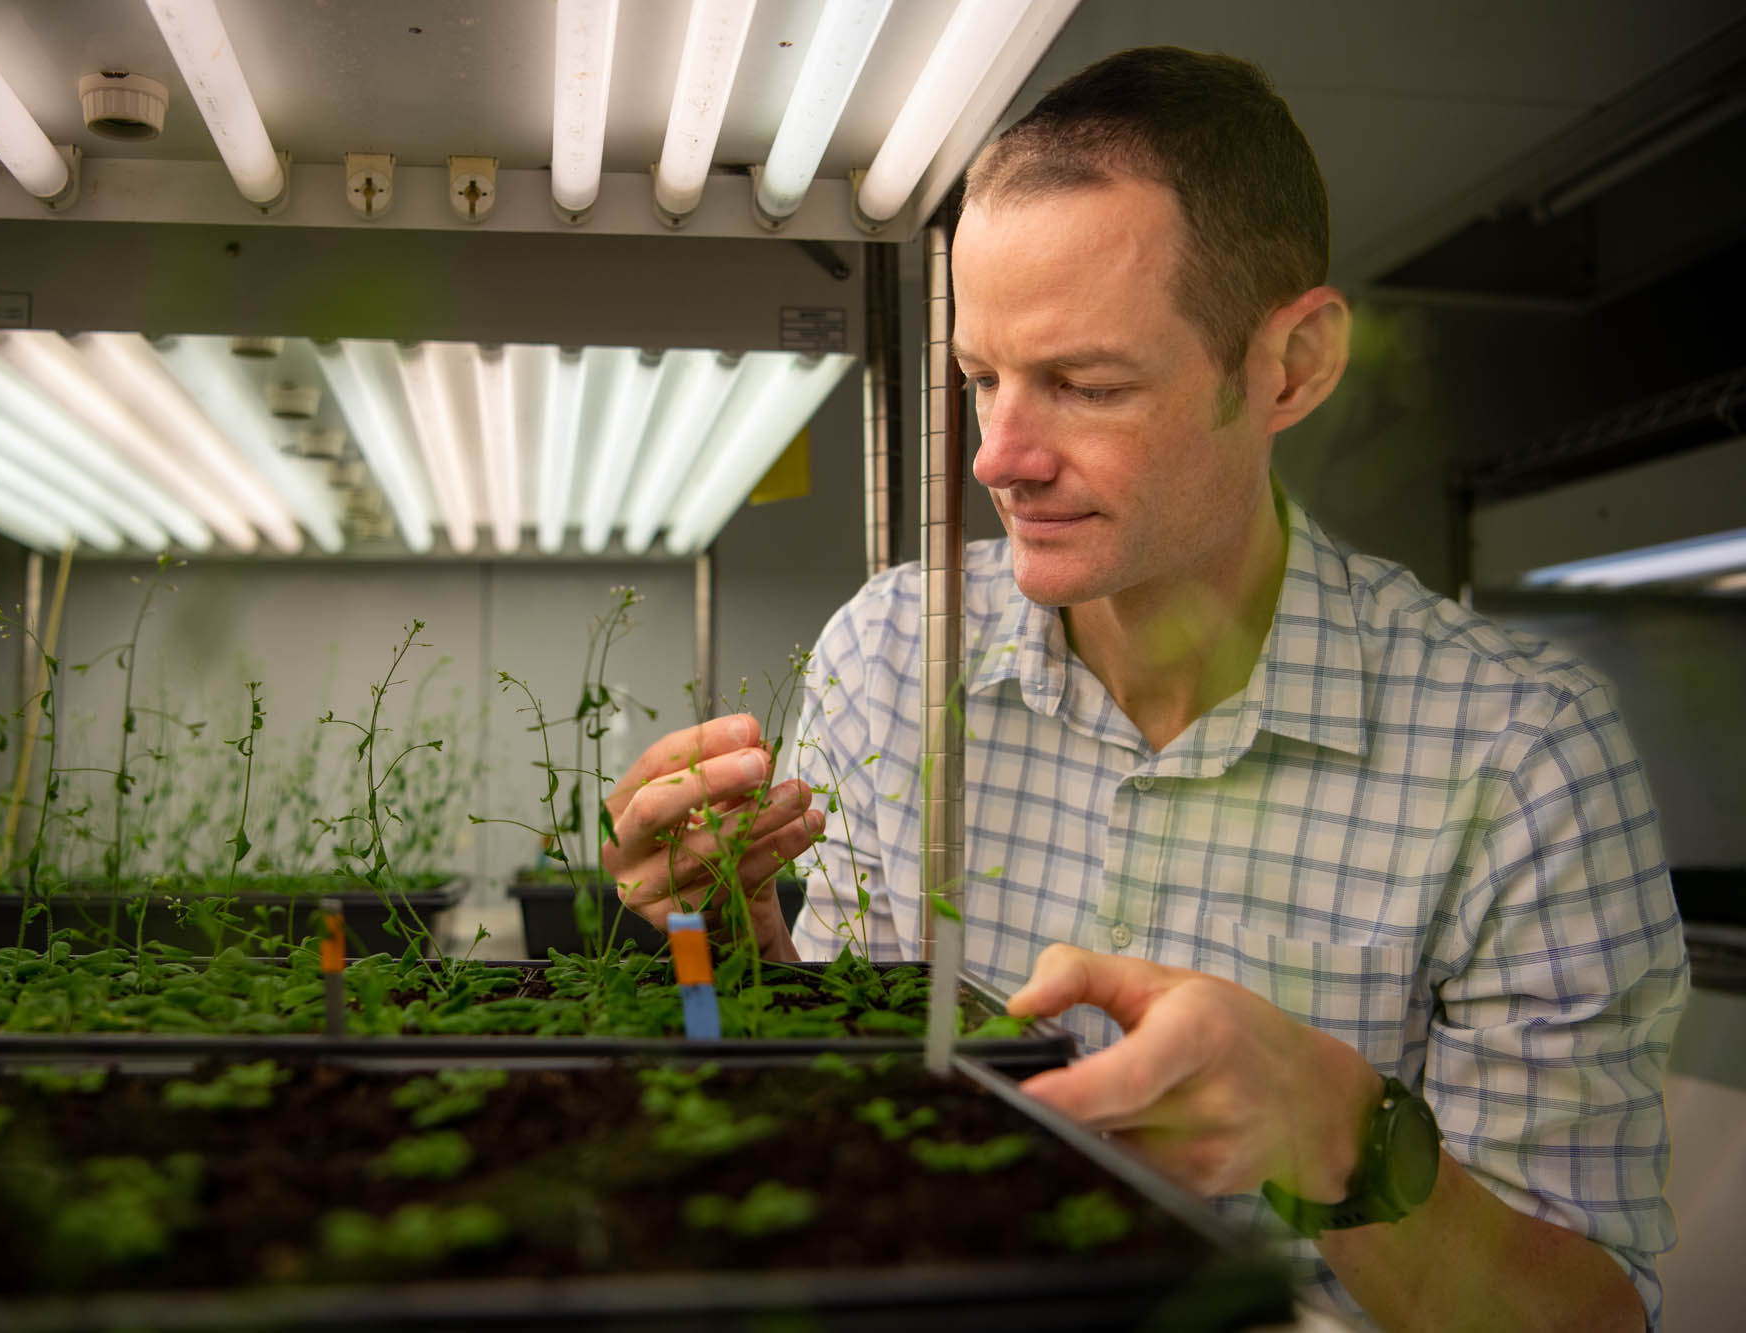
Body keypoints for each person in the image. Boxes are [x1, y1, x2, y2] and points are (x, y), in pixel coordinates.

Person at [600, 46, 1687, 1332]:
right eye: (980, 379)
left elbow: (1590, 1316)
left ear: (1288, 367)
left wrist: (1338, 1142)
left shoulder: (1519, 752)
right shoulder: (891, 655)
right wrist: (715, 938)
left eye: (1084, 383)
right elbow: (842, 1086)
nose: (998, 457)